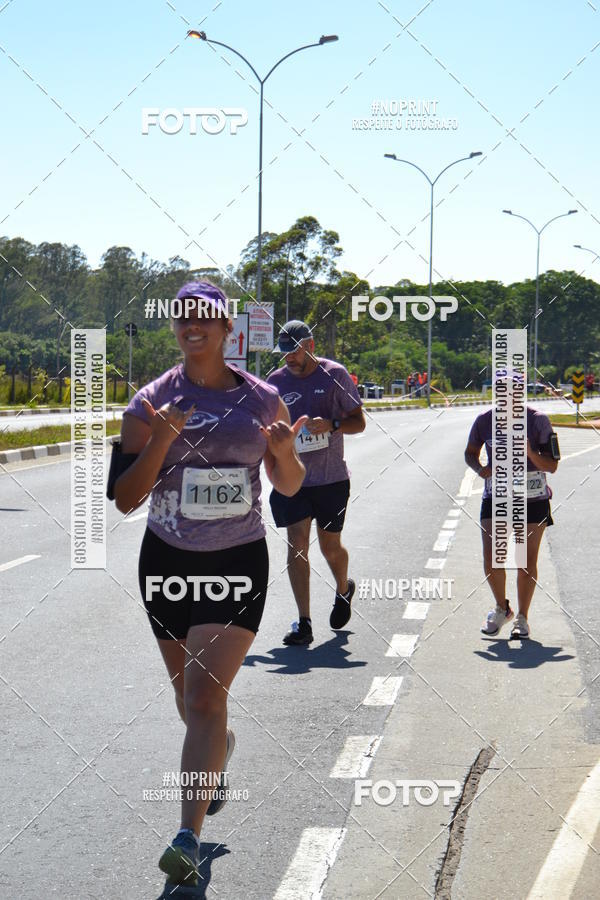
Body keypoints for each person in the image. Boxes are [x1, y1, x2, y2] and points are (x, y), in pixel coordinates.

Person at [108, 282, 306, 889]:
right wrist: (163, 440)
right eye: (182, 318)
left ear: (226, 329)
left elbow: (290, 487)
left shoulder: (263, 398)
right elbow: (122, 499)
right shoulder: (149, 403)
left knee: (202, 699)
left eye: (205, 318)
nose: (192, 326)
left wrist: (287, 453)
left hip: (238, 561)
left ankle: (188, 838)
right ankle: (218, 753)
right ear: (176, 327)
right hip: (167, 559)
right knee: (188, 700)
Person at [266, 320, 366, 645]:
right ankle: (304, 622)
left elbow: (359, 423)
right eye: (283, 353)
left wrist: (333, 424)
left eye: (293, 352)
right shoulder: (275, 381)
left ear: (309, 346)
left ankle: (343, 589)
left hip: (330, 479)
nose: (288, 359)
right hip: (292, 480)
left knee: (329, 547)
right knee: (296, 545)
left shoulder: (335, 374)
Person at [464, 403, 560, 639]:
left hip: (532, 500)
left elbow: (552, 465)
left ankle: (523, 618)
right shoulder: (484, 420)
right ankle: (502, 608)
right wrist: (480, 468)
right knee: (491, 559)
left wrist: (529, 452)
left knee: (525, 562)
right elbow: (470, 453)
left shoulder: (538, 421)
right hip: (496, 498)